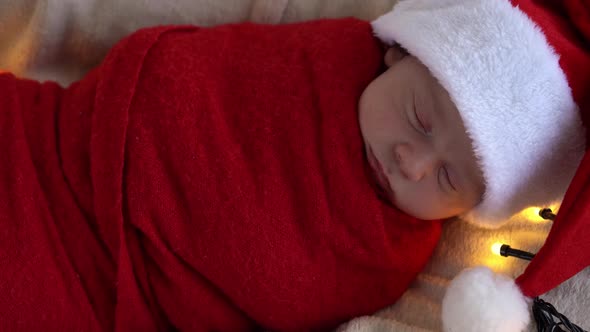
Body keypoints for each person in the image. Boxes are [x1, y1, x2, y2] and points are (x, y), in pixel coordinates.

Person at [0, 0, 588, 331]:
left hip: (94, 286)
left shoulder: (390, 258)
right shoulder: (323, 53)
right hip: (54, 147)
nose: (411, 162)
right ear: (397, 53)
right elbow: (180, 83)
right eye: (420, 118)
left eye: (448, 179)